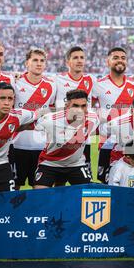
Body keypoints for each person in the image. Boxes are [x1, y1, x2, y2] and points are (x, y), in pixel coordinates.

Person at [33, 89, 99, 189]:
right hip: (50, 163)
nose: (80, 110)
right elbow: (29, 124)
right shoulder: (49, 119)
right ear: (67, 106)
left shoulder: (93, 119)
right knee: (40, 195)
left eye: (83, 106)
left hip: (76, 164)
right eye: (75, 106)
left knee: (87, 195)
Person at [12, 48, 57, 189]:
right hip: (16, 144)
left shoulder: (51, 85)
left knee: (39, 190)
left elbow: (52, 110)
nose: (39, 64)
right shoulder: (15, 82)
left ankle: (37, 213)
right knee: (13, 189)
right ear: (27, 63)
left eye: (42, 61)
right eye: (35, 60)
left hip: (40, 146)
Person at [92, 47, 134, 184]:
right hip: (107, 143)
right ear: (108, 62)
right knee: (107, 185)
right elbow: (86, 108)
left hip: (129, 144)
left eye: (123, 58)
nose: (120, 60)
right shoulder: (99, 85)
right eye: (116, 57)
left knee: (130, 185)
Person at [54, 46, 98, 176]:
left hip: (83, 139)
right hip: (62, 137)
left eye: (82, 58)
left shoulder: (91, 80)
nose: (79, 61)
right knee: (59, 180)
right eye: (75, 58)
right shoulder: (57, 80)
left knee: (85, 181)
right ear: (68, 62)